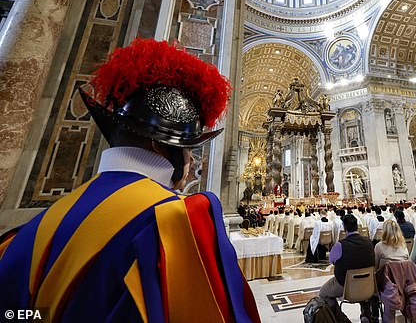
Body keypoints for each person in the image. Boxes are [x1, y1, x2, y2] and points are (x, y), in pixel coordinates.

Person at [0, 38, 259, 322]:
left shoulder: (28, 232)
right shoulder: (175, 219)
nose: (193, 162)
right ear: (163, 147)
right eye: (189, 149)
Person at [320, 214, 375, 320]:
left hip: (345, 285)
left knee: (323, 293)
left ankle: (341, 319)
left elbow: (331, 260)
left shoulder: (340, 245)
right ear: (357, 226)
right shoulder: (368, 242)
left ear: (344, 228)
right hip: (368, 284)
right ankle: (366, 312)